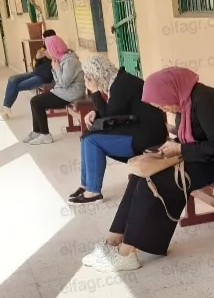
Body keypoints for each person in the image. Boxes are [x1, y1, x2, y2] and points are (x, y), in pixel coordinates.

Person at [81, 66, 214, 272]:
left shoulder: (207, 101)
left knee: (155, 182)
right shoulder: (185, 101)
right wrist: (173, 146)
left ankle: (127, 253)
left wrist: (180, 148)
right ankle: (113, 241)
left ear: (171, 91)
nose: (163, 108)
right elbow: (192, 137)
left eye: (162, 103)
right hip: (202, 157)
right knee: (139, 176)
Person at [68, 55, 168, 204]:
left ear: (97, 74)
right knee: (86, 136)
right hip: (138, 128)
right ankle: (86, 184)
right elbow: (116, 109)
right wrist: (95, 112)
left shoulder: (121, 84)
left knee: (92, 141)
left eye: (89, 77)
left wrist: (95, 91)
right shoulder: (119, 80)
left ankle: (93, 192)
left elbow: (110, 114)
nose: (87, 81)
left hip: (148, 135)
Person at [24, 35, 85, 145]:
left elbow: (64, 83)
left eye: (48, 48)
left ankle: (45, 135)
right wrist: (55, 67)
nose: (46, 51)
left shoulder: (70, 61)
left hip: (72, 93)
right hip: (64, 91)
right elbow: (59, 81)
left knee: (36, 101)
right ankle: (37, 132)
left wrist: (56, 68)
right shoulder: (62, 59)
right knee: (35, 101)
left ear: (54, 48)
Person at [0, 29, 57, 120]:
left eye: (47, 39)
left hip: (44, 77)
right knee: (12, 79)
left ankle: (6, 107)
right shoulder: (43, 49)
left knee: (17, 86)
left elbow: (58, 64)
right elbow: (35, 66)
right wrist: (37, 59)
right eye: (45, 39)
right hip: (35, 72)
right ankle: (6, 107)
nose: (45, 41)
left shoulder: (57, 49)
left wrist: (51, 56)